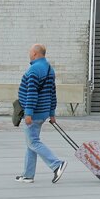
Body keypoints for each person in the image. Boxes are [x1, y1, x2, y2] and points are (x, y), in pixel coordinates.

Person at [15, 44, 66, 183]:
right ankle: (28, 175)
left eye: (30, 52)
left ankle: (57, 164)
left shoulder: (34, 69)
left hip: (34, 113)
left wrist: (28, 113)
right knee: (30, 143)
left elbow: (31, 93)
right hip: (43, 112)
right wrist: (52, 113)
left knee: (34, 142)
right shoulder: (50, 69)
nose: (29, 54)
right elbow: (52, 93)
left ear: (36, 54)